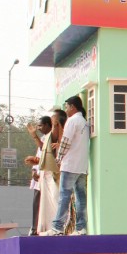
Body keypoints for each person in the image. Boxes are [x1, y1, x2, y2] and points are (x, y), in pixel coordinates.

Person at [47, 96, 90, 236]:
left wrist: (59, 157)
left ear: (72, 107)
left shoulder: (72, 121)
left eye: (66, 107)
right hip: (82, 166)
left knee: (64, 196)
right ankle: (81, 227)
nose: (66, 110)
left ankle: (57, 227)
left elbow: (66, 142)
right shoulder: (84, 121)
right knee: (80, 197)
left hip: (70, 164)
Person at [25, 116, 52, 235]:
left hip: (49, 176)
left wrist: (34, 136)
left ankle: (43, 227)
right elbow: (39, 155)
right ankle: (34, 227)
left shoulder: (52, 137)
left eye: (41, 126)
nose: (39, 128)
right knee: (36, 202)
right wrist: (34, 171)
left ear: (47, 125)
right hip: (39, 175)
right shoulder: (43, 137)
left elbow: (44, 149)